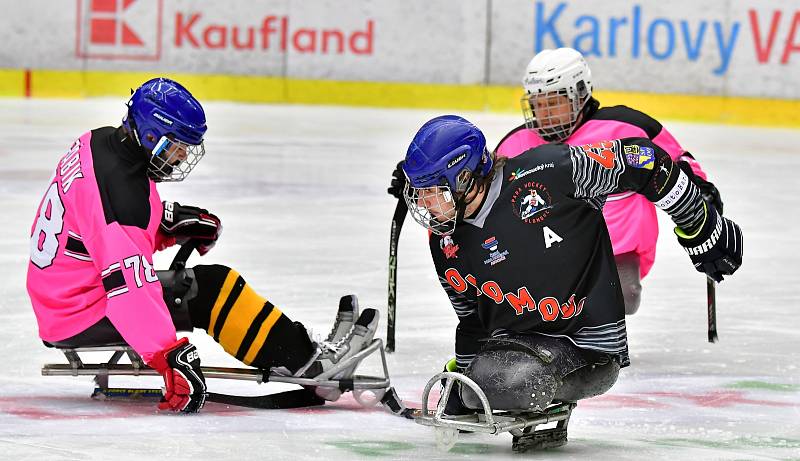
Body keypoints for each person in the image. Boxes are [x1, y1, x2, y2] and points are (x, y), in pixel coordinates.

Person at [26, 77, 379, 414]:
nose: (179, 157)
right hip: (82, 309)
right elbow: (126, 284)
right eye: (176, 146)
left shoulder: (101, 142)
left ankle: (297, 345)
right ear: (151, 135)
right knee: (209, 290)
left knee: (204, 284)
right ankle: (311, 364)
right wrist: (168, 356)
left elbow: (90, 223)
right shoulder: (121, 194)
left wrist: (166, 222)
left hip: (63, 293)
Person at [396, 115, 742, 422]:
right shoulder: (445, 243)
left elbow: (643, 159)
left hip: (588, 351)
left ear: (465, 178)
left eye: (432, 192)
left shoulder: (550, 172)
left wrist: (699, 225)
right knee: (480, 387)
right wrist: (460, 381)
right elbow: (472, 322)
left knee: (503, 382)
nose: (424, 205)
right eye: (419, 193)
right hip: (513, 350)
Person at [494, 47, 724, 315]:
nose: (544, 114)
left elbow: (676, 160)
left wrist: (701, 192)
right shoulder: (515, 145)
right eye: (537, 104)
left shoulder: (627, 127)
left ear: (580, 93)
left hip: (617, 248)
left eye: (553, 102)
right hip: (547, 253)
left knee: (623, 296)